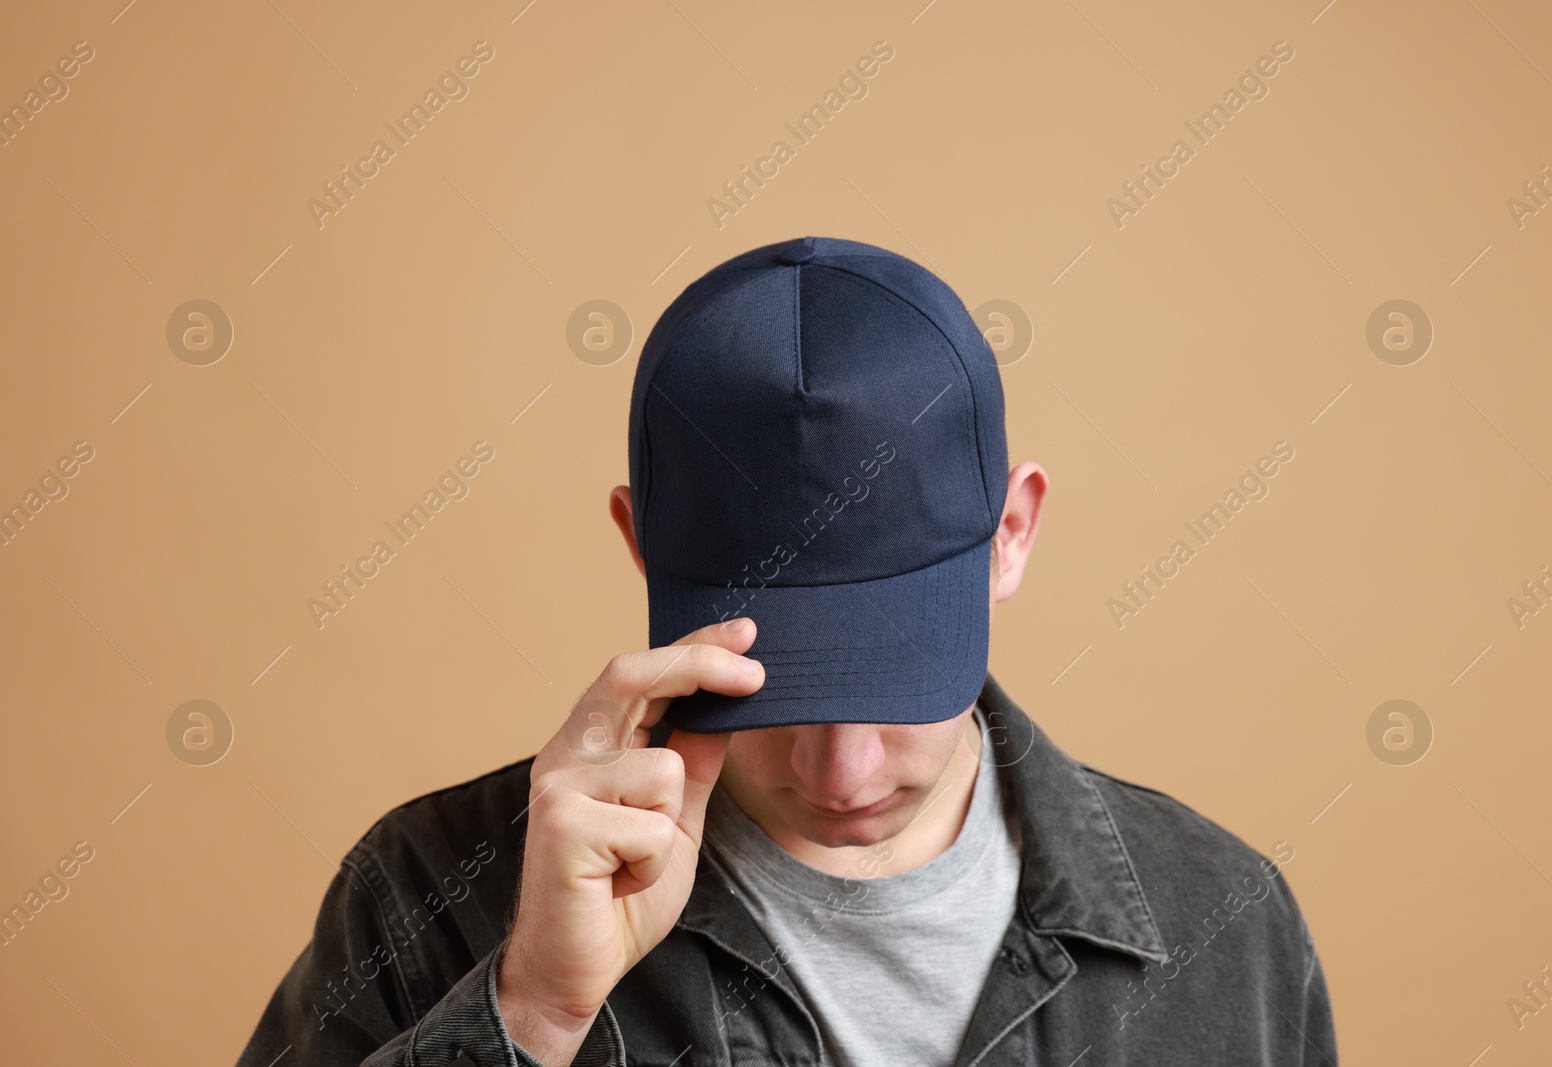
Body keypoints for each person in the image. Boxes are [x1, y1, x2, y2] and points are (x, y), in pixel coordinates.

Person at [236, 236, 1336, 1067]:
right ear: (637, 543)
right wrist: (528, 1013)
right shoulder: (430, 892)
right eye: (779, 687)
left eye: (896, 674)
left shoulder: (1222, 923)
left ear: (1012, 534)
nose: (840, 771)